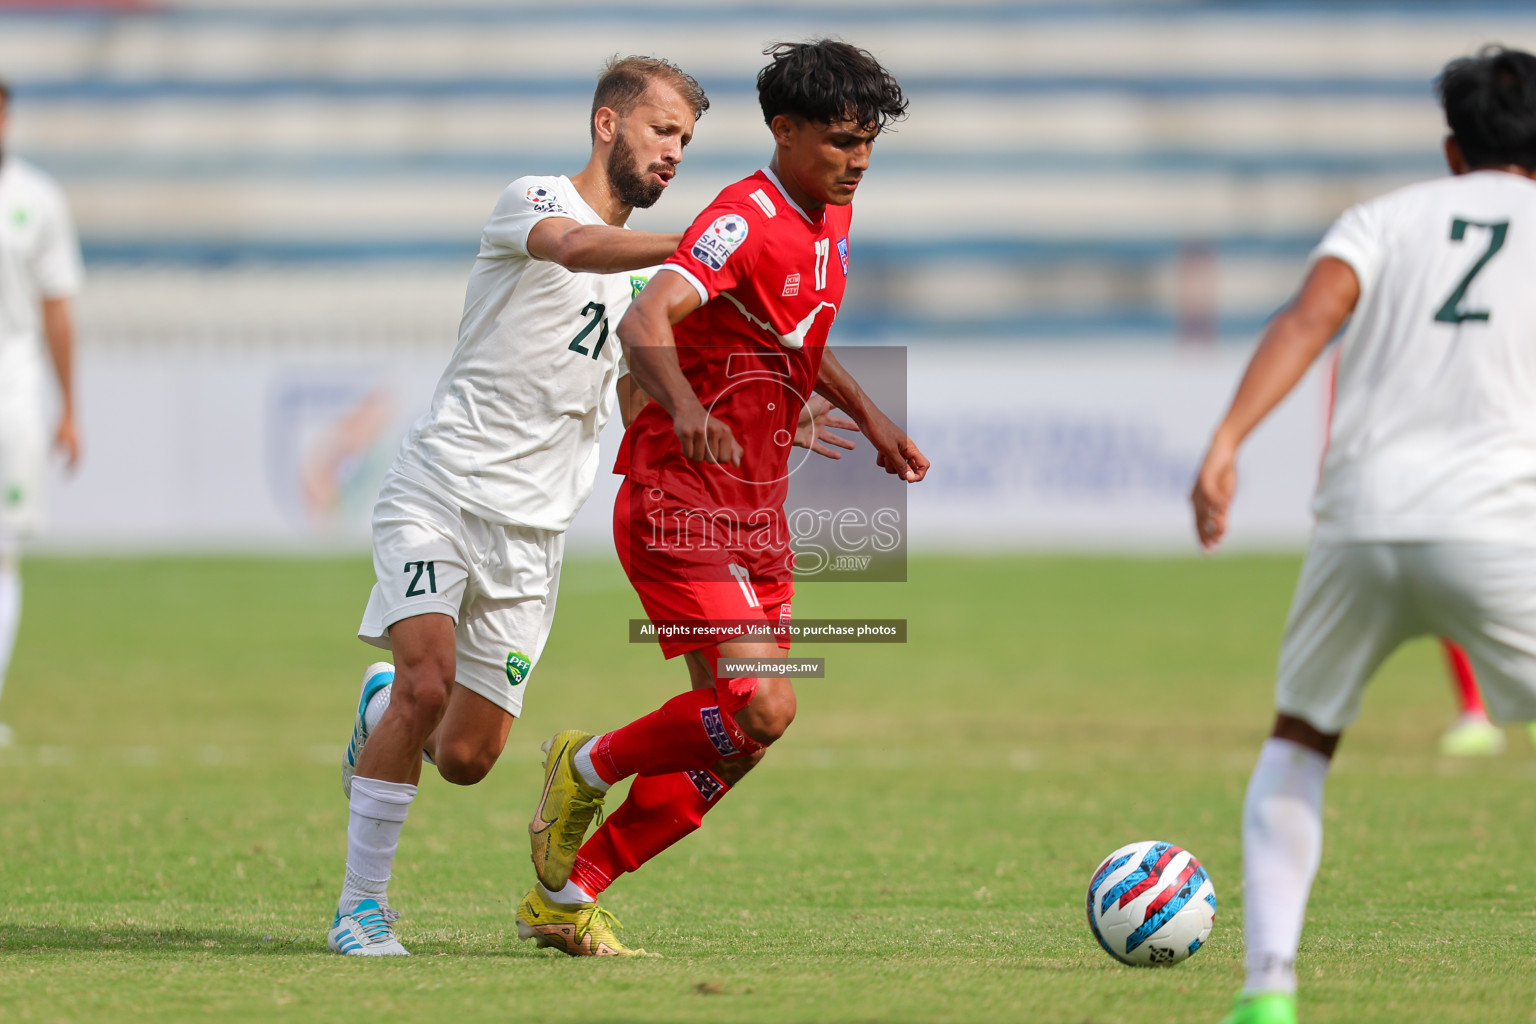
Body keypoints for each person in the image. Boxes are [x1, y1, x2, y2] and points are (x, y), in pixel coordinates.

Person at [518, 40, 928, 957]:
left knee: (738, 740)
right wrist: (691, 406)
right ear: (784, 132)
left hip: (754, 511)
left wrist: (874, 420)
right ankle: (584, 763)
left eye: (868, 144)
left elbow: (801, 336)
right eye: (840, 142)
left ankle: (569, 891)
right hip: (678, 500)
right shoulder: (744, 218)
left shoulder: (831, 214)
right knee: (766, 706)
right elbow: (645, 317)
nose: (858, 161)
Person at [325, 55, 712, 957]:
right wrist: (698, 246)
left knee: (466, 759)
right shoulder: (536, 199)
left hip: (533, 536)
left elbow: (630, 402)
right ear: (607, 125)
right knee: (428, 681)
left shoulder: (643, 294)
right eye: (662, 131)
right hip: (442, 491)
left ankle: (381, 709)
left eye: (687, 141)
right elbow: (575, 251)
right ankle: (359, 909)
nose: (674, 154)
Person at [1191, 45, 1536, 1024]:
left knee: (1299, 741)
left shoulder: (1383, 218)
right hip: (1502, 524)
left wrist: (1226, 440)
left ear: (1450, 144)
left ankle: (1268, 991)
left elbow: (1307, 322)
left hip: (1363, 521)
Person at [0, 77, 83, 748]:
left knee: (3, 554)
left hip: (12, 395)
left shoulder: (36, 199)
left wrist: (68, 408)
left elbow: (57, 309)